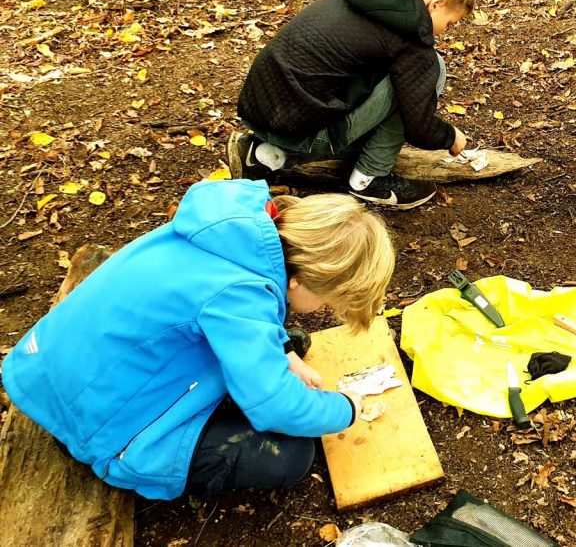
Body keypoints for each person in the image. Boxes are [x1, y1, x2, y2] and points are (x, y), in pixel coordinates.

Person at [1, 179, 395, 499]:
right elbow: (274, 407)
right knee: (291, 457)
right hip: (90, 418)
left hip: (47, 370)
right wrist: (346, 408)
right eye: (327, 299)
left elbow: (220, 311)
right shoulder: (239, 296)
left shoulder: (236, 232)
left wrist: (285, 354)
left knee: (289, 342)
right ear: (298, 280)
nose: (324, 307)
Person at [228, 0, 475, 209]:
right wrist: (450, 137)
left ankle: (263, 155)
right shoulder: (410, 39)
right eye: (449, 22)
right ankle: (370, 178)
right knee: (435, 68)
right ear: (436, 4)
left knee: (402, 75)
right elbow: (419, 128)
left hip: (263, 107)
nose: (445, 31)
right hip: (302, 132)